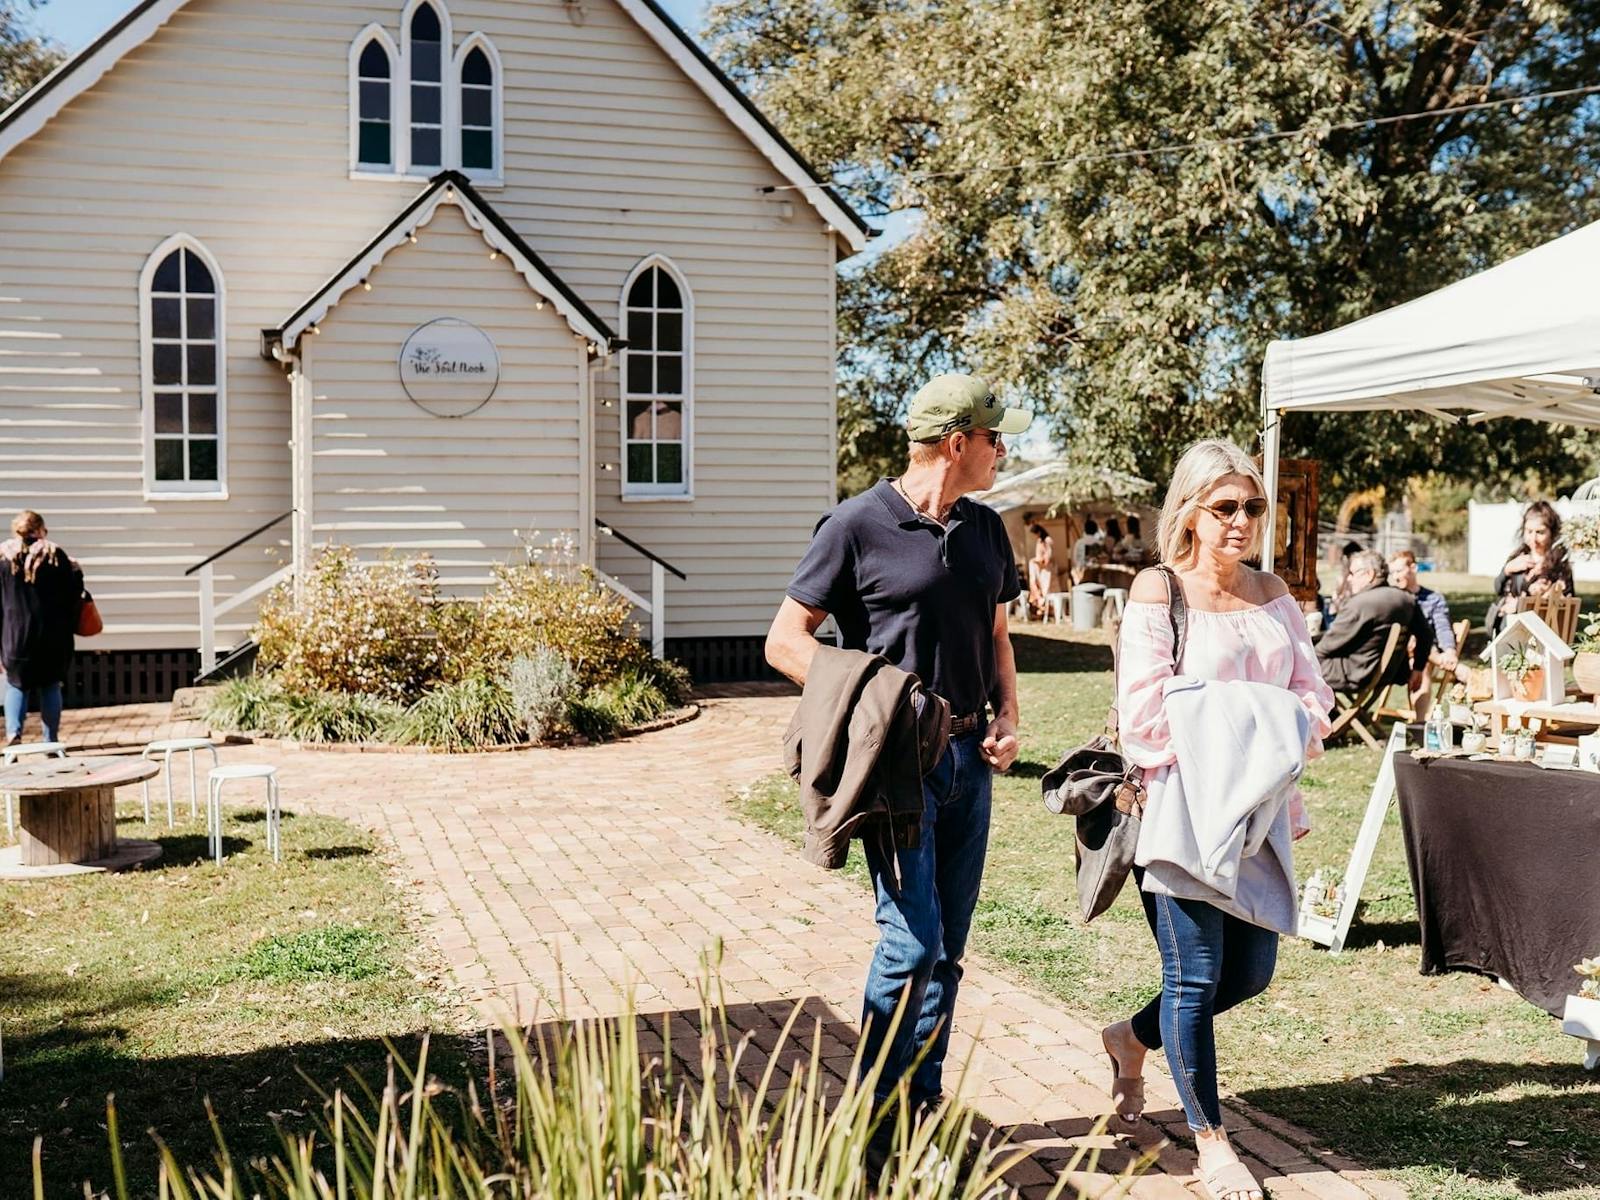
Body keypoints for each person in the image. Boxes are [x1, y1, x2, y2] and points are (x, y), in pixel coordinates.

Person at [765, 372, 1028, 1128]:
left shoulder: (984, 528)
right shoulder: (854, 525)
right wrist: (877, 693)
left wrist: (1008, 714)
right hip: (895, 766)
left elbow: (999, 633)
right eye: (994, 438)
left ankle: (922, 1105)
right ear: (956, 444)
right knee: (911, 942)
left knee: (946, 950)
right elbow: (784, 642)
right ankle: (873, 1115)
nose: (1002, 451)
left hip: (971, 763)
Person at [1099, 439, 1333, 1200]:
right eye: (1224, 507)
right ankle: (1211, 1143)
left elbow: (1314, 700)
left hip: (1258, 819)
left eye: (1252, 508)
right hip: (1181, 813)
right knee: (1194, 976)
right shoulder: (1155, 591)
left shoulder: (1274, 593)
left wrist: (1258, 726)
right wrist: (1263, 724)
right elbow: (1144, 720)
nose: (1240, 522)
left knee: (1250, 972)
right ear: (1191, 513)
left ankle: (1129, 1039)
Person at [2, 510, 84, 746]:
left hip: (14, 634)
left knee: (16, 684)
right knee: (50, 684)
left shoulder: (4, 557)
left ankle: (13, 735)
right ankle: (50, 741)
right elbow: (73, 592)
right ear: (40, 530)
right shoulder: (54, 554)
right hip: (52, 634)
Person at [1314, 551, 1432, 696]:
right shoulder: (1406, 599)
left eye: (1352, 573)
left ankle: (1324, 716)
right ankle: (1333, 716)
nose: (1349, 579)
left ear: (1369, 574)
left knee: (1297, 665)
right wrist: (1418, 668)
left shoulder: (1359, 604)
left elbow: (1326, 647)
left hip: (1356, 673)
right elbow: (1426, 635)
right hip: (1388, 673)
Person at [1388, 549, 1464, 715]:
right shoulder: (1393, 598)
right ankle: (1460, 670)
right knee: (1418, 649)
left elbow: (1443, 628)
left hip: (1423, 653)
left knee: (1420, 659)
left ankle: (1420, 722)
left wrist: (1450, 652)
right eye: (1392, 572)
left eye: (1399, 571)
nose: (1395, 577)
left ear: (1413, 568)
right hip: (1397, 653)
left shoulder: (1433, 599)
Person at [1487, 500, 1574, 633]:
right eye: (1529, 531)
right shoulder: (1518, 557)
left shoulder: (1559, 565)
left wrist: (1521, 605)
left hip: (1543, 631)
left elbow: (1566, 601)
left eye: (1540, 532)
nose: (1533, 539)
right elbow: (1498, 589)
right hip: (1508, 628)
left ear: (1552, 532)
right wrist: (1507, 570)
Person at [1027, 523, 1056, 617]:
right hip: (1041, 569)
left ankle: (1050, 611)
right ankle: (1043, 609)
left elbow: (1048, 558)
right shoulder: (1040, 541)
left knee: (1047, 589)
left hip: (1047, 570)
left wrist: (1038, 561)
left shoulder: (1047, 540)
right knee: (1041, 588)